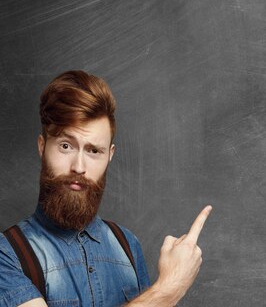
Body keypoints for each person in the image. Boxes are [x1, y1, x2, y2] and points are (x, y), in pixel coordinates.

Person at [0, 70, 211, 307]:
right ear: (42, 146)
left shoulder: (127, 245)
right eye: (66, 145)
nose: (79, 167)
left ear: (109, 156)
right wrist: (170, 288)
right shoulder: (6, 254)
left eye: (93, 151)